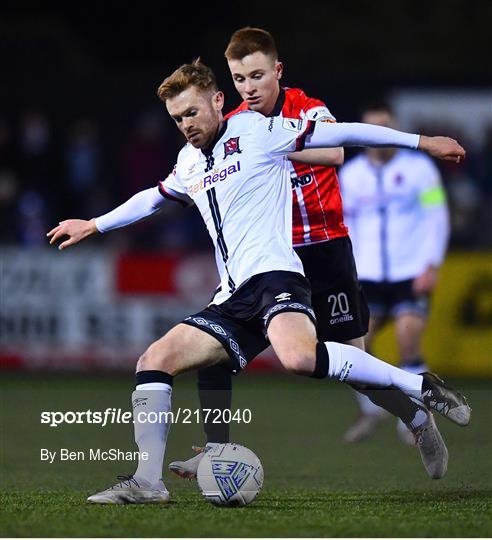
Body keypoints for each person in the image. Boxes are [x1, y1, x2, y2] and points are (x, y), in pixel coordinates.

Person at [47, 60, 470, 504]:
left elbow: (341, 135)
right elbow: (152, 198)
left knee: (302, 359)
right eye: (177, 119)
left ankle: (420, 389)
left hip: (278, 276)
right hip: (233, 295)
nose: (186, 125)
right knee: (155, 359)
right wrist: (95, 225)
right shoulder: (189, 161)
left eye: (192, 113)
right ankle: (149, 481)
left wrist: (422, 142)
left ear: (216, 101)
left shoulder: (256, 131)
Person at [168, 27, 445, 479]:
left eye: (257, 75)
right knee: (213, 346)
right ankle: (215, 447)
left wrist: (274, 151)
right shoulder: (237, 125)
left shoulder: (305, 109)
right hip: (270, 259)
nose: (248, 87)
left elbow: (336, 151)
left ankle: (416, 417)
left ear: (277, 71)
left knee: (352, 368)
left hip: (324, 251)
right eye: (239, 79)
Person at [339, 103, 451, 444]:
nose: (380, 137)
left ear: (395, 128)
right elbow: (344, 225)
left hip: (410, 270)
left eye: (385, 127)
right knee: (357, 348)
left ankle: (415, 419)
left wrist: (430, 263)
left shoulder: (420, 169)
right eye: (373, 129)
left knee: (407, 341)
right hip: (367, 274)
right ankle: (373, 408)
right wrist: (347, 269)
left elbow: (437, 215)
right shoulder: (350, 175)